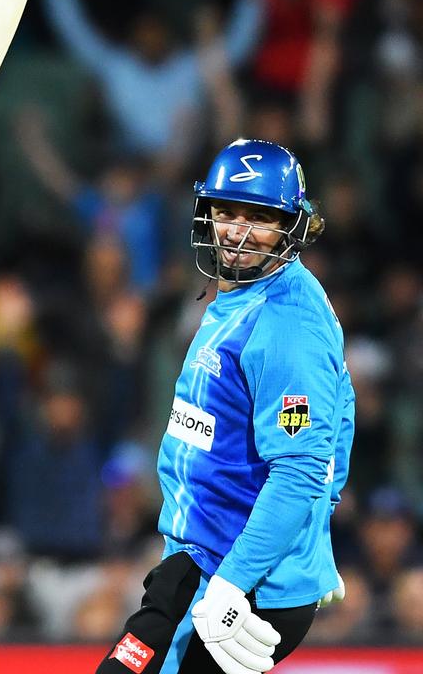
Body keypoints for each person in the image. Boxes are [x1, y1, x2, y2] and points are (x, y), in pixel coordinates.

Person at [96, 139, 354, 674]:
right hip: (203, 564)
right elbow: (341, 408)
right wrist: (312, 537)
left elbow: (302, 465)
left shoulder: (287, 322)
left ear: (294, 223)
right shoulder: (250, 291)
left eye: (259, 217)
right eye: (227, 212)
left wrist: (236, 583)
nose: (237, 232)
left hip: (229, 584)